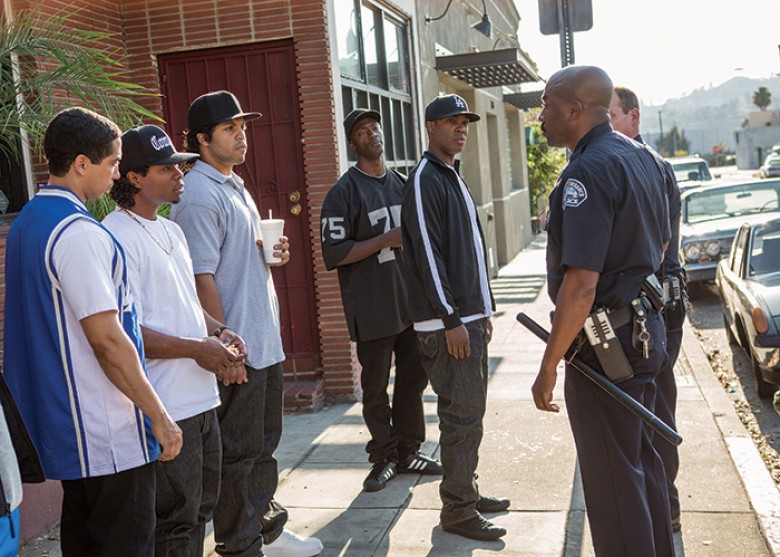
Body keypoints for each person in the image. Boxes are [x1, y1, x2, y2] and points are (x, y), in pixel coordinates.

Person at [3, 107, 183, 556]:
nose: (118, 172)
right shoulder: (78, 232)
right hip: (106, 433)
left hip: (68, 428)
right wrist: (159, 416)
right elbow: (106, 338)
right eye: (112, 163)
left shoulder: (27, 222)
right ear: (82, 163)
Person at [170, 91, 322, 557]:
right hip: (238, 346)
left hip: (261, 337)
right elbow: (200, 277)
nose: (241, 136)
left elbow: (233, 260)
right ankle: (240, 545)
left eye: (243, 127)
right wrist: (223, 345)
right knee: (237, 454)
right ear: (201, 139)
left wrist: (266, 255)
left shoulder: (233, 184)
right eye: (229, 129)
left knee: (262, 447)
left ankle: (263, 531)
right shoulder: (197, 194)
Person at [532, 66, 674, 557]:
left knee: (614, 486)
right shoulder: (643, 157)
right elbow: (661, 244)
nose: (541, 115)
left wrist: (548, 366)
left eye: (548, 105)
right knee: (641, 464)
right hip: (644, 332)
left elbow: (580, 286)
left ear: (575, 110)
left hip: (605, 345)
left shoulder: (587, 171)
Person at [104, 124, 249, 555]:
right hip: (165, 406)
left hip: (202, 400)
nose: (180, 173)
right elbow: (123, 335)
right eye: (167, 168)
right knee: (174, 523)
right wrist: (197, 349)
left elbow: (186, 307)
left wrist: (219, 331)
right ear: (134, 177)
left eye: (180, 166)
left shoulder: (172, 231)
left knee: (200, 512)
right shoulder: (114, 236)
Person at [402, 94, 510, 542]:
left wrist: (481, 311)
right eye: (451, 122)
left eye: (464, 122)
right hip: (444, 324)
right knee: (461, 415)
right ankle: (459, 511)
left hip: (465, 317)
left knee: (470, 413)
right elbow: (429, 255)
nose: (461, 128)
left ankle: (465, 488)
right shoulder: (426, 178)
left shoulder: (452, 175)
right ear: (430, 127)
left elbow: (466, 253)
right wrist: (451, 319)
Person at [321, 109, 442, 492]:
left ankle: (408, 450)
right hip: (372, 306)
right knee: (375, 388)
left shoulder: (404, 184)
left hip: (410, 303)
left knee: (412, 382)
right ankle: (384, 456)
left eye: (375, 127)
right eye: (362, 130)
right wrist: (383, 240)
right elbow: (335, 253)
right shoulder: (343, 192)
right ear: (352, 142)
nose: (372, 133)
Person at [610, 86, 685, 532]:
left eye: (612, 115)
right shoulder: (625, 163)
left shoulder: (650, 166)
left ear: (633, 117)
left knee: (655, 410)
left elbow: (655, 249)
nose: (607, 124)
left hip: (656, 306)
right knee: (643, 407)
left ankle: (666, 505)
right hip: (645, 306)